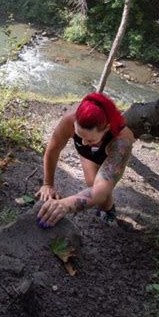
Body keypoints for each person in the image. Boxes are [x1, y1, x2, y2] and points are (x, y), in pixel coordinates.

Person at [36, 92, 134, 228]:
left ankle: (109, 211)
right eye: (78, 135)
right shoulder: (69, 121)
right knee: (92, 184)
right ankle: (106, 208)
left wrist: (65, 205)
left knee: (102, 194)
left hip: (108, 155)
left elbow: (100, 190)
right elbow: (53, 151)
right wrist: (48, 185)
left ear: (106, 128)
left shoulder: (122, 142)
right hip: (88, 155)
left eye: (90, 139)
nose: (83, 142)